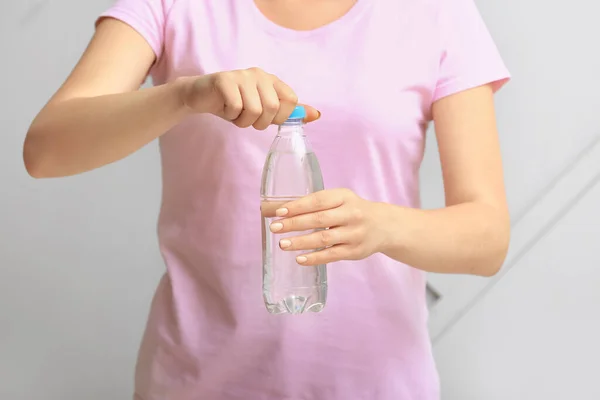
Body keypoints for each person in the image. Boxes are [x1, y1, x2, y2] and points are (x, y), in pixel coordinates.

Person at [23, 0, 511, 398]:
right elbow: (46, 150)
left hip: (376, 383)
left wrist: (381, 226)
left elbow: (487, 237)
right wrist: (186, 95)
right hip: (195, 382)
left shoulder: (438, 12)